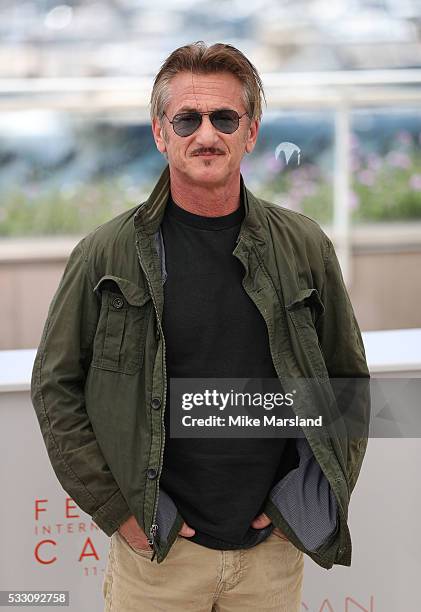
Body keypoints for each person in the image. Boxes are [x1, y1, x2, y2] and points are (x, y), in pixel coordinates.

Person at [31, 41, 370, 612]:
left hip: (270, 558)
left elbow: (348, 382)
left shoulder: (305, 247)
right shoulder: (104, 255)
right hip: (156, 559)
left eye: (224, 118)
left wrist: (300, 510)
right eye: (187, 119)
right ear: (160, 132)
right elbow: (55, 385)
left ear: (251, 131)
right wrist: (121, 513)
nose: (205, 134)